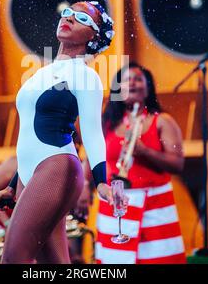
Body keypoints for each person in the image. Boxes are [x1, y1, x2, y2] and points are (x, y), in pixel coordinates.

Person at [0, 1, 115, 264]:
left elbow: (92, 132)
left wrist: (102, 180)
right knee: (53, 264)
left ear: (93, 36)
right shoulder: (40, 74)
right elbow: (29, 137)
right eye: (68, 12)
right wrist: (12, 186)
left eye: (80, 18)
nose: (68, 17)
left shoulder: (86, 76)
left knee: (13, 260)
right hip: (30, 173)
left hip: (57, 168)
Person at [77, 62, 186, 264]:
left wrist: (145, 151)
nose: (132, 83)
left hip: (155, 207)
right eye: (127, 80)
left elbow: (177, 164)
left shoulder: (162, 120)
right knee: (114, 262)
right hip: (114, 203)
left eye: (138, 79)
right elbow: (91, 158)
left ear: (148, 88)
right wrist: (84, 186)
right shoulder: (107, 122)